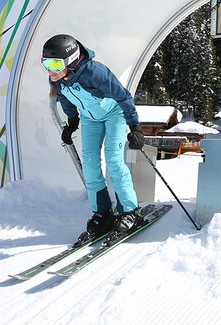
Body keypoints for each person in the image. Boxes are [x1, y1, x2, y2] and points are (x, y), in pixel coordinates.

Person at [43, 34, 147, 244]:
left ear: (70, 60)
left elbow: (123, 96)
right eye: (45, 63)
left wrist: (135, 126)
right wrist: (72, 122)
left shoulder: (95, 72)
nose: (49, 70)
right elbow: (65, 100)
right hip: (90, 119)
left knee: (114, 161)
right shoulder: (57, 79)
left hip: (114, 114)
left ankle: (130, 212)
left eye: (54, 64)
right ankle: (103, 214)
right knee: (89, 164)